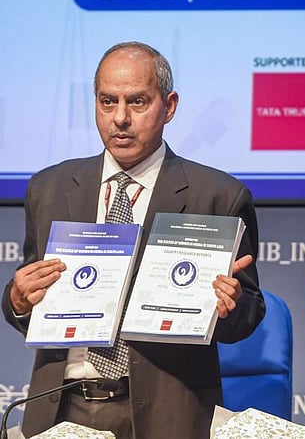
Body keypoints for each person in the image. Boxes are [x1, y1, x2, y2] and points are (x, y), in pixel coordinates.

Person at [1, 41, 265, 438]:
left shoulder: (217, 195)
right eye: (108, 102)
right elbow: (28, 303)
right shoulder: (49, 188)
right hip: (61, 408)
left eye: (137, 102)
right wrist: (19, 300)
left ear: (169, 106)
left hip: (165, 414)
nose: (120, 118)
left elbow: (247, 313)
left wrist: (229, 305)